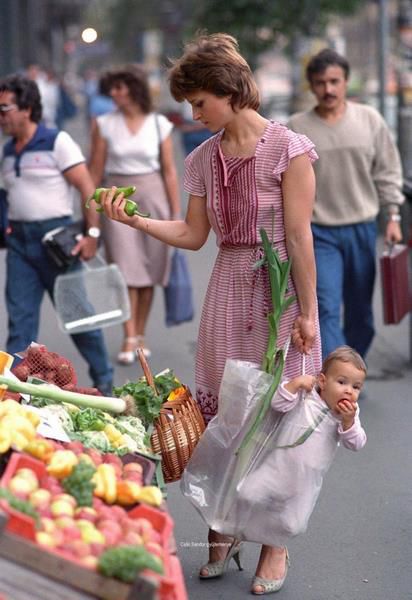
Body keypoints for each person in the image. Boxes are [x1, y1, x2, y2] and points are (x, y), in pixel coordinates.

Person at [98, 33, 322, 595]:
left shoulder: (289, 149)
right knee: (223, 415)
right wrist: (137, 222)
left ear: (228, 91)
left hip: (279, 293)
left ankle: (275, 545)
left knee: (278, 417)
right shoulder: (201, 158)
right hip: (228, 288)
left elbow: (299, 237)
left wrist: (309, 313)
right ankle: (221, 526)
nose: (193, 114)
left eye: (199, 102)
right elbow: (194, 235)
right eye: (190, 105)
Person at [0, 74, 113, 395]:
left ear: (27, 108)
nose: (1, 116)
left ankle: (104, 382)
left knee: (79, 318)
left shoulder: (56, 141)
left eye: (5, 108)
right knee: (19, 322)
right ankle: (14, 393)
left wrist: (92, 234)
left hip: (56, 244)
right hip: (20, 245)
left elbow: (87, 188)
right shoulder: (9, 151)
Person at [288, 48, 404, 360]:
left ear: (345, 82)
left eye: (334, 81)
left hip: (362, 228)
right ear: (311, 86)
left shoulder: (370, 120)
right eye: (320, 82)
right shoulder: (296, 127)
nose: (328, 89)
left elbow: (388, 170)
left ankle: (351, 371)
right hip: (318, 232)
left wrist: (393, 216)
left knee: (361, 312)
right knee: (325, 307)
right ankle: (336, 377)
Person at [237, 345, 366, 591]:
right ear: (322, 381)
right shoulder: (306, 395)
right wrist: (294, 385)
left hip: (304, 483)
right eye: (342, 382)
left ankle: (277, 549)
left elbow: (357, 443)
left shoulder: (347, 414)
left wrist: (348, 422)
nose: (349, 391)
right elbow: (277, 404)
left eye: (356, 386)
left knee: (292, 524)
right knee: (247, 494)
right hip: (275, 468)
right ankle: (241, 536)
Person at [88, 64, 181, 363]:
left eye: (119, 87)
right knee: (126, 270)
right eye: (111, 88)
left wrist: (175, 213)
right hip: (117, 199)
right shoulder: (103, 124)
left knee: (150, 271)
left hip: (153, 196)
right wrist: (91, 211)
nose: (113, 93)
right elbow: (95, 171)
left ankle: (140, 333)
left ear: (133, 88)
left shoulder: (158, 124)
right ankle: (129, 336)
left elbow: (169, 171)